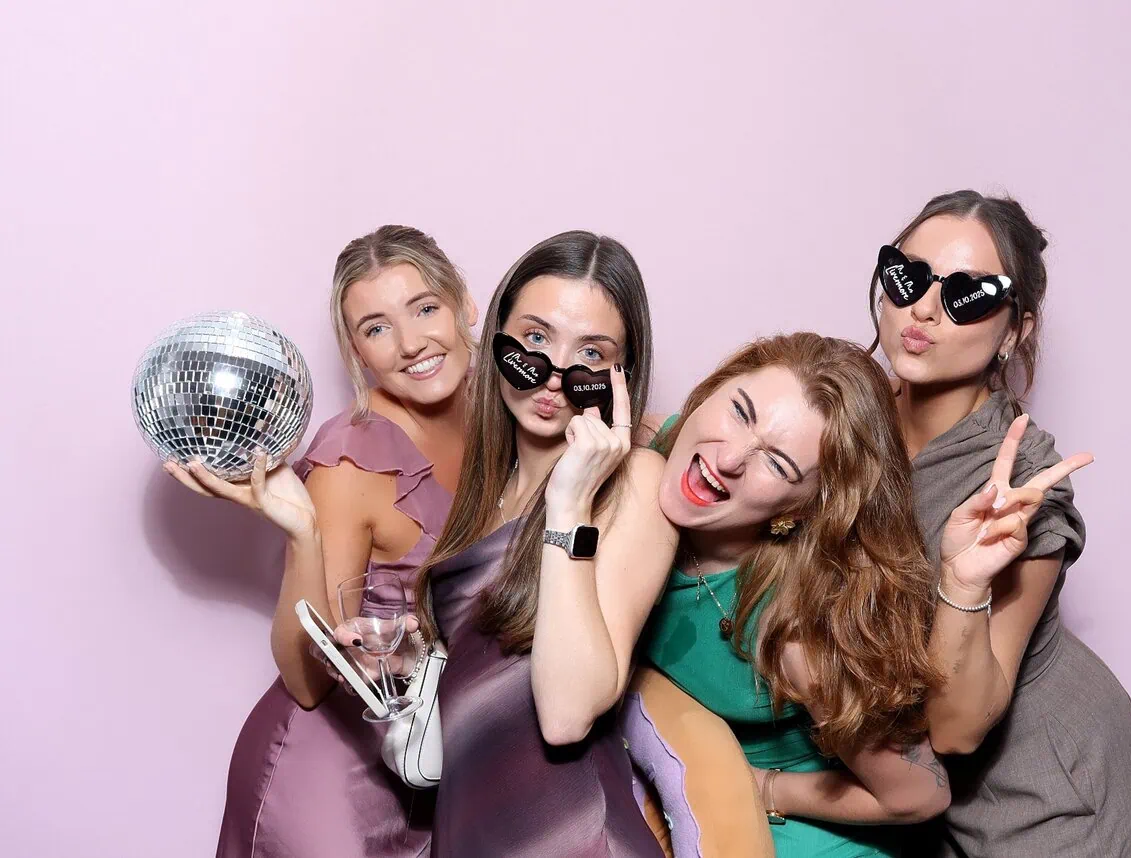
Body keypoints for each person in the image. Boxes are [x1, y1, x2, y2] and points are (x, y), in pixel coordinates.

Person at [165, 225, 475, 858]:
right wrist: (303, 532)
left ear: (464, 305)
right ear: (356, 351)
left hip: (432, 761)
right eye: (376, 327)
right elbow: (309, 684)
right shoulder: (351, 462)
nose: (412, 343)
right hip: (329, 786)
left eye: (425, 308)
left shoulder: (508, 425)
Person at [871, 190, 1131, 857]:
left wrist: (963, 582)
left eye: (968, 295)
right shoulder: (850, 411)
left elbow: (961, 728)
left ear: (1016, 330)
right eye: (907, 277)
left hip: (1047, 796)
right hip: (921, 794)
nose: (925, 308)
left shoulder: (1023, 480)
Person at [625, 333, 952, 857]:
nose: (727, 458)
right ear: (712, 389)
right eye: (739, 411)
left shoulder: (793, 630)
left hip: (803, 835)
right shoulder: (663, 450)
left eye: (776, 464)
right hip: (689, 783)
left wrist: (764, 788)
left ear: (797, 512)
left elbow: (922, 794)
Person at [412, 230, 676, 857]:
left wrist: (569, 502)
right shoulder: (486, 488)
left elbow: (566, 714)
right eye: (534, 339)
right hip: (475, 826)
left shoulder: (632, 484)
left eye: (590, 354)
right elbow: (490, 664)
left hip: (572, 835)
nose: (553, 377)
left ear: (622, 375)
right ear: (498, 335)